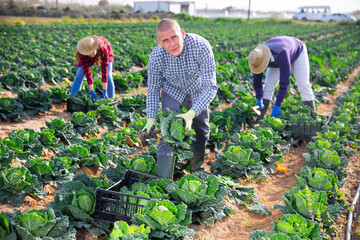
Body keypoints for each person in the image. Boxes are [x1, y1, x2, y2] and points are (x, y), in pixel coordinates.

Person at [142, 18, 218, 179]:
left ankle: (195, 169)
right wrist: (150, 119)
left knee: (202, 131)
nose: (172, 44)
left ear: (182, 33)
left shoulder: (201, 47)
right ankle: (165, 182)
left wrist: (191, 114)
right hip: (173, 91)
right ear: (159, 42)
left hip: (198, 91)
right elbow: (154, 90)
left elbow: (210, 87)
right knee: (168, 133)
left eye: (174, 37)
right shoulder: (156, 58)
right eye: (165, 40)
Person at [248, 36, 315, 120]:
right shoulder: (257, 57)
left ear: (266, 60)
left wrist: (277, 104)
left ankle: (312, 117)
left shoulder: (282, 55)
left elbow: (284, 82)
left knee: (303, 85)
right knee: (268, 86)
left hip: (297, 51)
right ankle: (259, 118)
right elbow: (257, 81)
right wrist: (259, 98)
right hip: (276, 54)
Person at [70, 35, 115, 99]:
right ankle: (73, 99)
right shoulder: (83, 54)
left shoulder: (103, 48)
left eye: (93, 51)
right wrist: (91, 91)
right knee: (79, 74)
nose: (92, 54)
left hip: (104, 50)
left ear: (95, 47)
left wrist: (105, 90)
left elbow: (105, 70)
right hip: (87, 57)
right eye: (89, 52)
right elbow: (87, 73)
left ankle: (110, 99)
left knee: (108, 75)